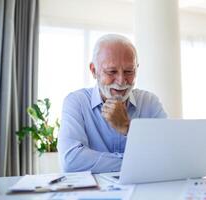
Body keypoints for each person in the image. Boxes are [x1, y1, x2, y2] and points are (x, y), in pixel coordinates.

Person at [58, 34, 167, 173]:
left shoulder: (150, 102)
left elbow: (167, 154)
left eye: (129, 71)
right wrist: (139, 162)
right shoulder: (77, 102)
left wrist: (128, 128)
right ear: (93, 70)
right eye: (111, 71)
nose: (121, 81)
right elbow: (71, 161)